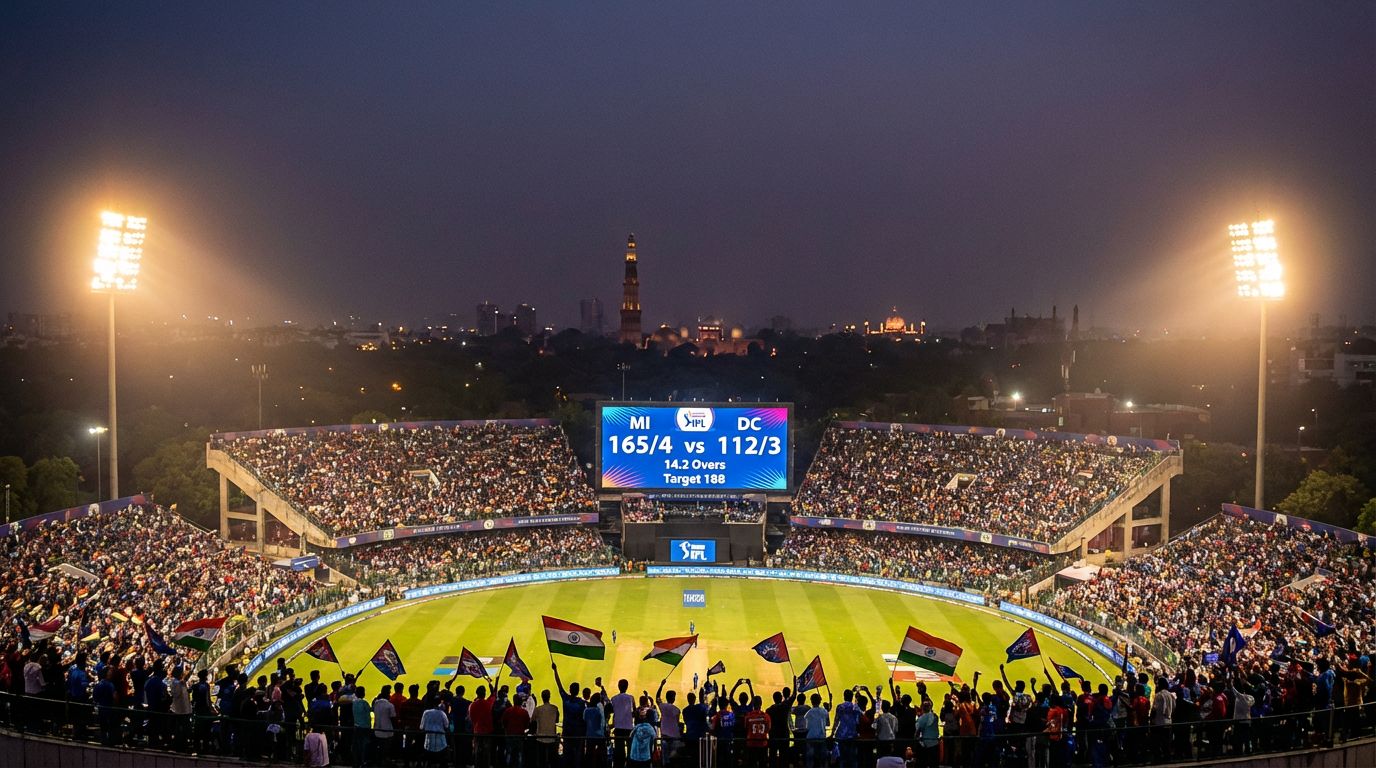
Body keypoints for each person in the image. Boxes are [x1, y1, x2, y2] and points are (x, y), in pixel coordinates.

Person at [608, 678, 634, 768]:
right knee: (630, 750)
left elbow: (611, 711)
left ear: (618, 686)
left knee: (619, 751)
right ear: (627, 687)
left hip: (618, 728)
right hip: (629, 728)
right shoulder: (631, 698)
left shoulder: (614, 698)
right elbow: (634, 712)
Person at [533, 689, 561, 768]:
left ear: (542, 697)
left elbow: (532, 721)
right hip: (551, 737)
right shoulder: (555, 708)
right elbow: (557, 720)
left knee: (541, 760)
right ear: (549, 697)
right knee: (552, 760)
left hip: (541, 737)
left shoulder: (538, 709)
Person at [420, 698, 450, 764]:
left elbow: (421, 727)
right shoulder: (442, 713)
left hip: (428, 743)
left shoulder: (426, 713)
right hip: (441, 744)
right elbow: (447, 726)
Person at [804, 693, 829, 768]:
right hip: (821, 737)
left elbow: (807, 727)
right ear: (820, 701)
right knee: (822, 760)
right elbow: (828, 723)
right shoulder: (824, 711)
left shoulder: (808, 713)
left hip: (811, 738)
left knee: (810, 760)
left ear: (811, 701)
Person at [914, 699, 940, 768]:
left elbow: (917, 731)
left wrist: (915, 738)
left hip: (925, 745)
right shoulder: (935, 716)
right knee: (934, 765)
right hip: (935, 743)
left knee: (922, 764)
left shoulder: (921, 719)